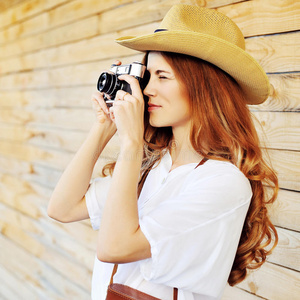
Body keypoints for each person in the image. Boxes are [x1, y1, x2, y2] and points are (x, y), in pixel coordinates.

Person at [47, 4, 278, 300]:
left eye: (162, 77)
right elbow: (62, 208)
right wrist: (104, 128)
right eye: (147, 77)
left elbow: (114, 248)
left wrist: (132, 143)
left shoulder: (223, 182)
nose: (146, 90)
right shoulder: (153, 167)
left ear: (203, 87)